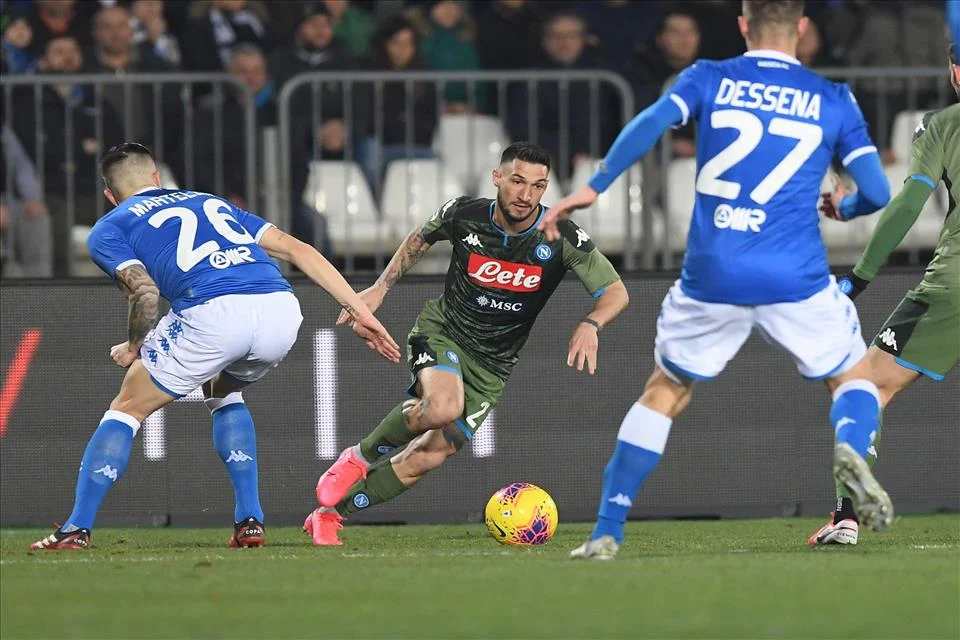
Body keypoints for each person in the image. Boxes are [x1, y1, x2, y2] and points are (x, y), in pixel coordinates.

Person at [540, 0, 894, 560]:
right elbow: (877, 192)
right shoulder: (833, 98)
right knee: (853, 379)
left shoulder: (709, 77)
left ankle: (607, 530)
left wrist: (595, 185)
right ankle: (850, 449)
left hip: (713, 272)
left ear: (743, 26)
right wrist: (843, 207)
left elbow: (652, 121)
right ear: (802, 27)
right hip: (795, 275)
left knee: (665, 390)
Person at [30, 143, 400, 551]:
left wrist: (134, 346)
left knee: (127, 408)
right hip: (280, 309)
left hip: (213, 313)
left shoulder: (110, 226)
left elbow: (145, 293)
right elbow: (300, 249)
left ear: (110, 195)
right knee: (221, 387)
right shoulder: (210, 202)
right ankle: (250, 520)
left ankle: (76, 528)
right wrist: (359, 311)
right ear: (157, 179)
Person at [303, 142, 628, 545]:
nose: (526, 195)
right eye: (517, 181)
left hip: (493, 366)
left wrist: (592, 324)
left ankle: (330, 515)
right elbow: (421, 237)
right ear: (497, 178)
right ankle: (358, 457)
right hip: (445, 332)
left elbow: (616, 292)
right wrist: (381, 287)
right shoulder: (464, 214)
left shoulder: (560, 236)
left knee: (428, 456)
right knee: (443, 406)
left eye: (538, 186)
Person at [809, 43, 960, 546]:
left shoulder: (941, 126)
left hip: (954, 286)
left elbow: (909, 204)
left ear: (955, 72)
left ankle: (845, 516)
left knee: (866, 386)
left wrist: (859, 278)